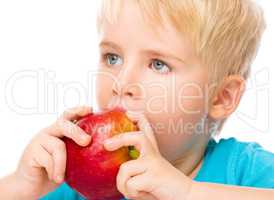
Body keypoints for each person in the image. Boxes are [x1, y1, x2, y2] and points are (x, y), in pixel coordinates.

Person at [1, 0, 273, 199]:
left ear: (221, 97)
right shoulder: (81, 187)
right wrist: (21, 186)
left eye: (158, 64)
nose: (122, 83)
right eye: (113, 58)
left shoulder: (246, 172)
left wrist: (186, 192)